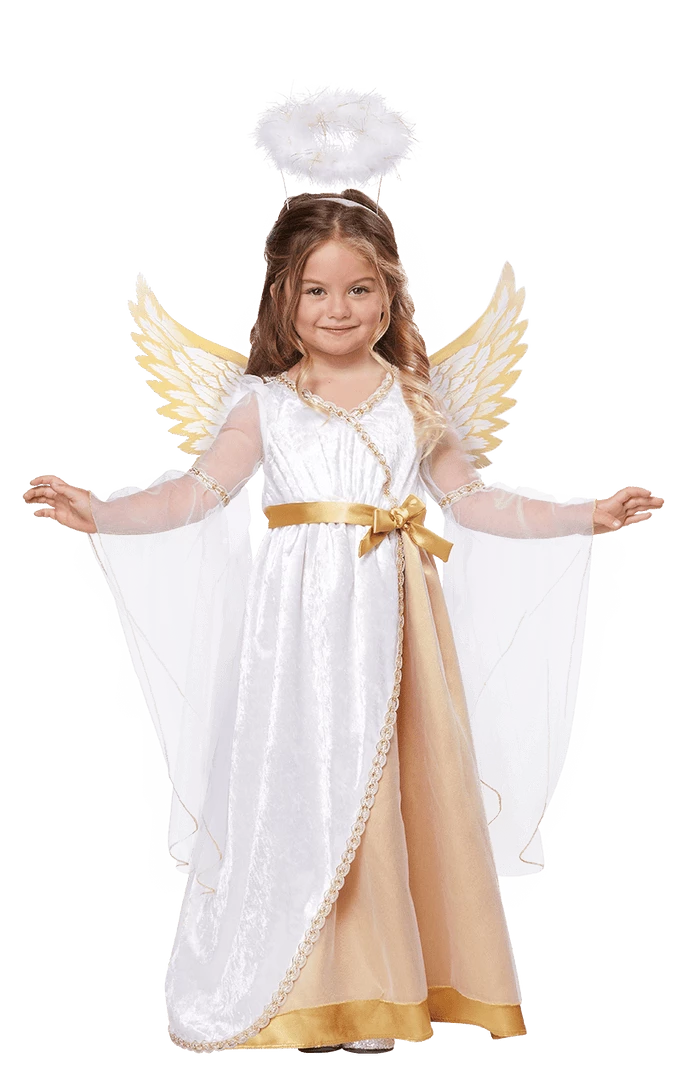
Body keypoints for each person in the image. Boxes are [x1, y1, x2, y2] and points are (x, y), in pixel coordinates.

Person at [23, 192, 663, 1056]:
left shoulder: (413, 397)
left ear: (391, 293)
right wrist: (101, 513)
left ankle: (381, 989)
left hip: (394, 617)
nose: (338, 310)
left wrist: (584, 515)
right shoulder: (264, 402)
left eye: (359, 289)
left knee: (391, 788)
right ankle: (302, 987)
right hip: (297, 630)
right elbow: (196, 492)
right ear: (281, 296)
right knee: (301, 782)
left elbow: (474, 501)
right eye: (315, 291)